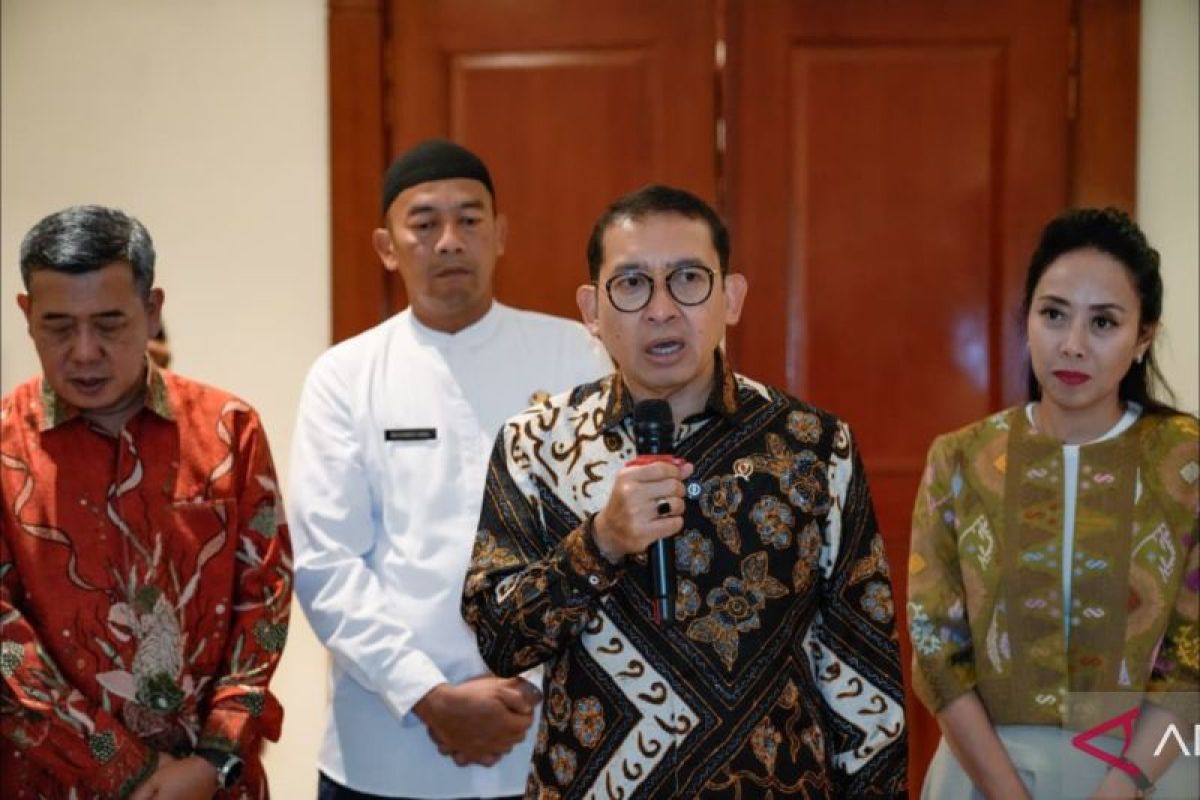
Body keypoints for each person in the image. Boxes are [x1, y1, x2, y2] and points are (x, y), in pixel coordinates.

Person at [461, 184, 908, 798]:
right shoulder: (535, 444)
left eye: (689, 279)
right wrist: (599, 543)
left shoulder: (814, 446)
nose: (662, 309)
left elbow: (865, 672)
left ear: (732, 296)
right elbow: (499, 639)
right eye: (633, 284)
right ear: (592, 310)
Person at [288, 139, 611, 800]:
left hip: (552, 739)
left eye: (469, 219)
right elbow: (327, 565)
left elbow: (607, 539)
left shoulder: (575, 357)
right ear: (387, 246)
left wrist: (530, 684)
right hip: (387, 747)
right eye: (424, 222)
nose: (449, 241)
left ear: (500, 235)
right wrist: (428, 693)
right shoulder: (345, 376)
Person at [1, 205, 292, 799]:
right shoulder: (5, 447)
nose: (84, 352)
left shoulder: (228, 431)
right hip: (49, 781)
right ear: (27, 315)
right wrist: (122, 768)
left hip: (211, 783)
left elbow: (265, 601)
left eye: (109, 324)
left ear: (153, 310)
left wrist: (214, 757)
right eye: (59, 326)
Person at [908, 207, 1199, 800]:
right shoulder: (960, 459)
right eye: (1053, 314)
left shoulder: (1186, 464)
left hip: (1151, 772)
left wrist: (1121, 789)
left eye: (1104, 323)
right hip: (983, 775)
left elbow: (1193, 660)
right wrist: (1007, 792)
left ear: (1143, 337)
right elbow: (935, 647)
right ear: (1028, 320)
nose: (1072, 345)